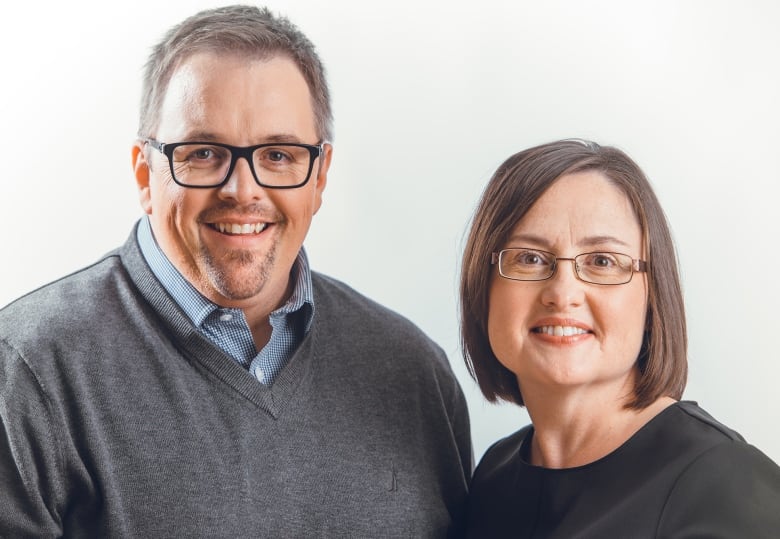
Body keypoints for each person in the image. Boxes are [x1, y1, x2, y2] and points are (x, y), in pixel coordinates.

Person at [0, 5, 471, 537]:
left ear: (319, 177)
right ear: (143, 172)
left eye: (278, 155)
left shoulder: (413, 373)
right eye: (203, 152)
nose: (242, 190)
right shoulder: (26, 371)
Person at [459, 139, 780, 537]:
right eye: (529, 258)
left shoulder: (722, 484)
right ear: (482, 288)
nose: (562, 293)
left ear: (652, 299)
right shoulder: (493, 481)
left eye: (602, 261)